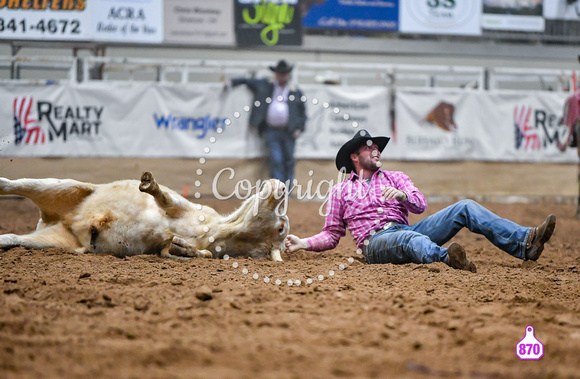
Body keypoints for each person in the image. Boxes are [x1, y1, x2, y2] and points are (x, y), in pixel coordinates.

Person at [285, 129, 557, 272]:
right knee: (409, 240)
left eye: (377, 146)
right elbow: (332, 235)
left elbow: (420, 204)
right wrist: (304, 243)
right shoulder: (340, 191)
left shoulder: (396, 177)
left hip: (406, 230)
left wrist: (403, 196)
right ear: (354, 157)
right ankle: (447, 258)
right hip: (374, 243)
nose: (376, 149)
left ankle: (525, 242)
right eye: (369, 147)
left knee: (465, 206)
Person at [229, 59, 307, 187]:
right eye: (279, 73)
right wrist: (233, 82)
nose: (281, 76)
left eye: (284, 73)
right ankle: (277, 189)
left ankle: (287, 189)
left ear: (288, 75)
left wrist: (299, 128)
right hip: (272, 130)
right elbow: (250, 82)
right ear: (275, 74)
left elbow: (302, 114)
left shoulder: (295, 92)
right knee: (276, 160)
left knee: (288, 161)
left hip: (289, 131)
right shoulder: (266, 86)